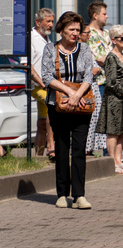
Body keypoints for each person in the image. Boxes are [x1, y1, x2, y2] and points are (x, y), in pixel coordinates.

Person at [41, 11, 95, 209]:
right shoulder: (50, 49)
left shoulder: (85, 48)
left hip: (81, 104)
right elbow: (46, 76)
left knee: (80, 150)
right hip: (58, 105)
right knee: (62, 149)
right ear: (61, 30)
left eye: (78, 30)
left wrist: (77, 95)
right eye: (71, 29)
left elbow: (89, 75)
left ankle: (79, 195)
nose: (75, 33)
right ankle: (61, 194)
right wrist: (67, 92)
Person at [96, 25, 123, 174]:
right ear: (113, 40)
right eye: (122, 38)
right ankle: (112, 163)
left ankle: (119, 161)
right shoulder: (111, 57)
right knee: (113, 131)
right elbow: (112, 82)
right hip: (114, 98)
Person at [86, 1, 111, 156]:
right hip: (98, 82)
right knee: (97, 118)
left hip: (110, 81)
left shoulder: (106, 33)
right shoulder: (88, 33)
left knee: (109, 119)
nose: (107, 16)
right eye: (104, 13)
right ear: (95, 15)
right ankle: (94, 150)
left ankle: (109, 153)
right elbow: (99, 58)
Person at [31, 8, 55, 160]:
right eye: (48, 21)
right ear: (38, 22)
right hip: (36, 86)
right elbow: (28, 67)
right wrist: (43, 83)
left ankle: (38, 156)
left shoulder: (48, 39)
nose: (51, 25)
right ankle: (52, 148)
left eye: (52, 21)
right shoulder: (30, 38)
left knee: (42, 122)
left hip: (47, 85)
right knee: (52, 107)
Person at [80, 24, 106, 155]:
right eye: (86, 33)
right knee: (87, 120)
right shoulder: (78, 49)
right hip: (84, 89)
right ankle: (84, 149)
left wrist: (97, 70)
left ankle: (89, 149)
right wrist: (93, 71)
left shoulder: (87, 48)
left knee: (95, 119)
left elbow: (97, 67)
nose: (89, 35)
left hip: (94, 87)